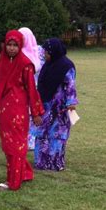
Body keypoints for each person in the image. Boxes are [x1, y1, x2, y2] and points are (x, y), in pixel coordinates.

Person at [0, 30, 44, 191]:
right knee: (7, 145)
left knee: (16, 145)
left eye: (15, 45)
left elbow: (32, 89)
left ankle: (13, 182)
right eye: (9, 44)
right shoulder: (2, 62)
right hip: (4, 112)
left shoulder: (25, 64)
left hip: (18, 112)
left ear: (21, 46)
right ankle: (24, 173)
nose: (11, 48)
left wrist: (36, 112)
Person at [33, 38, 78, 171]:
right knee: (41, 133)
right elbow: (40, 84)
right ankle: (41, 162)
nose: (44, 55)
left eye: (46, 52)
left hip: (60, 108)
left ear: (53, 52)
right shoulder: (47, 65)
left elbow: (70, 85)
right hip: (45, 105)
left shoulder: (66, 66)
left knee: (57, 134)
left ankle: (55, 163)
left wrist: (71, 102)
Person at [17, 27, 45, 151]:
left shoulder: (39, 51)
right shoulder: (17, 52)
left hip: (36, 88)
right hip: (22, 89)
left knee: (34, 114)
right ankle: (23, 138)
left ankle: (32, 139)